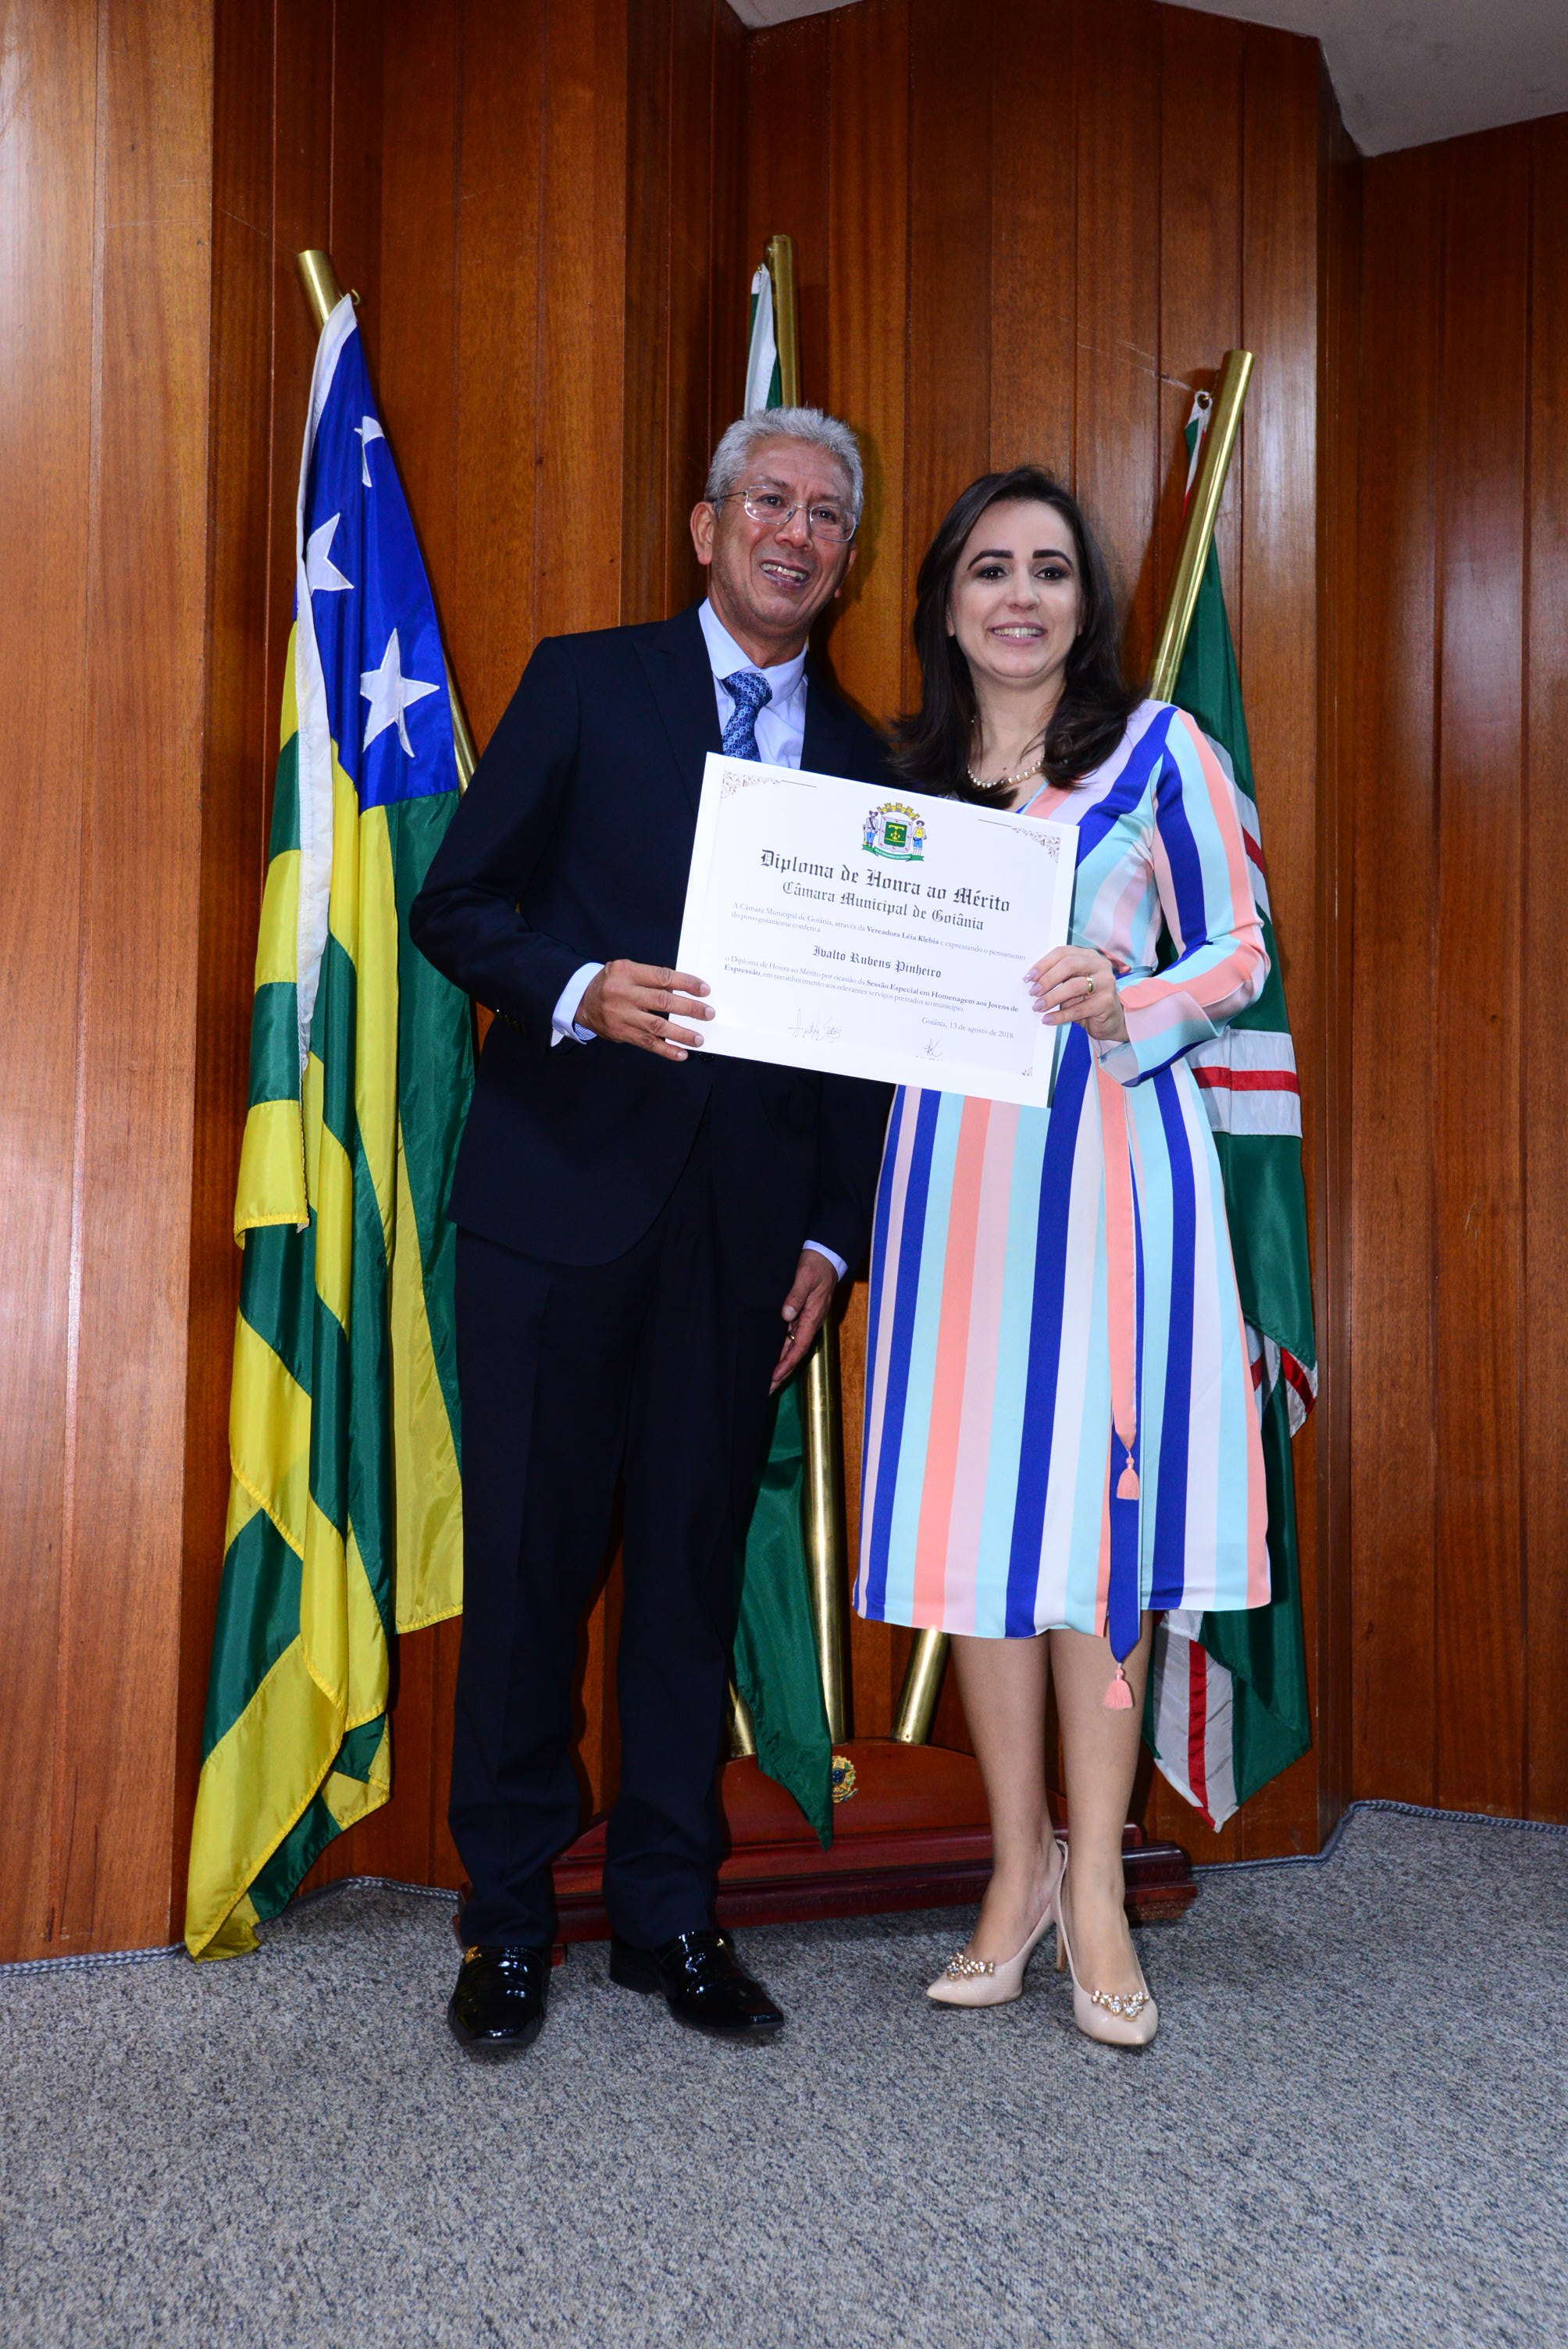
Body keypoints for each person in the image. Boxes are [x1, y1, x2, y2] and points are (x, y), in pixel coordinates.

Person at [412, 408, 891, 2056]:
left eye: (825, 516)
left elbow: (866, 1042)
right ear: (706, 526)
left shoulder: (869, 762)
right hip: (553, 1208)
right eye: (769, 501)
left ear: (845, 557)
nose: (794, 532)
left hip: (746, 1242)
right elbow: (455, 905)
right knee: (528, 1577)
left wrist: (831, 1240)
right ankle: (505, 1925)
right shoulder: (584, 681)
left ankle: (667, 1919)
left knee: (687, 1577)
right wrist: (574, 987)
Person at [853, 467, 1269, 2046]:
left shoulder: (1159, 751)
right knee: (980, 1533)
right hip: (951, 1185)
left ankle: (1096, 1881)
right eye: (987, 569)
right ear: (946, 602)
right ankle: (1013, 1865)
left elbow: (1239, 951)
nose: (1017, 596)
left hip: (1108, 1176)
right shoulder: (894, 784)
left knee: (1098, 1528)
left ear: (1084, 602)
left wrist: (1126, 997)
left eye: (1047, 569)